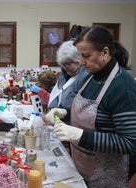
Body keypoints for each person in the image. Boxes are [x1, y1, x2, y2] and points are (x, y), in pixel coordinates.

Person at [46, 26, 136, 187]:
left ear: (105, 53)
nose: (81, 61)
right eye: (80, 56)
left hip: (107, 173)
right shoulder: (90, 77)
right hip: (81, 164)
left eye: (86, 56)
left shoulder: (123, 86)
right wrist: (64, 113)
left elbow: (130, 142)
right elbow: (87, 111)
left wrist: (79, 135)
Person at [31, 40, 90, 124]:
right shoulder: (64, 75)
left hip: (71, 124)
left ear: (79, 60)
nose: (66, 67)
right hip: (59, 121)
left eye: (68, 64)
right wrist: (55, 120)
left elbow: (75, 109)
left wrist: (58, 119)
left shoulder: (84, 77)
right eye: (63, 64)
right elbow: (56, 98)